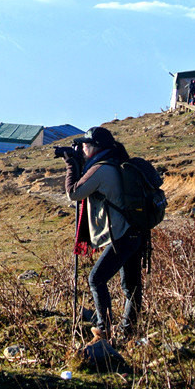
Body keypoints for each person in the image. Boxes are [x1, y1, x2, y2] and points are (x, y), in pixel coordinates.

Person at [62, 126, 144, 343]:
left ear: (96, 148)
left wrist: (71, 164)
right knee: (131, 286)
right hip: (137, 230)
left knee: (96, 279)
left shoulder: (100, 169)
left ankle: (103, 329)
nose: (82, 148)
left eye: (85, 145)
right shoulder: (116, 162)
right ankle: (129, 332)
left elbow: (74, 193)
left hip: (123, 235)